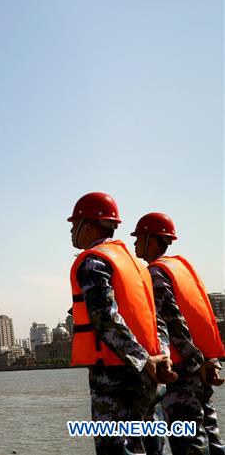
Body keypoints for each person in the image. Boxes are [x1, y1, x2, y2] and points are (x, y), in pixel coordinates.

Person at [67, 191, 177, 454]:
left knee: (117, 449)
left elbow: (105, 318)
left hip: (116, 376)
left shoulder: (95, 261)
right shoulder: (135, 265)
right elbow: (156, 320)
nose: (71, 231)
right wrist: (160, 357)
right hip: (149, 375)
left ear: (89, 225)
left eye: (74, 224)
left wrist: (142, 360)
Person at [133, 212, 225, 455]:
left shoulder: (154, 272)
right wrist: (209, 362)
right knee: (211, 435)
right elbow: (203, 319)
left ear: (152, 239)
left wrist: (194, 364)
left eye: (138, 237)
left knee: (188, 442)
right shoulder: (182, 268)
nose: (133, 243)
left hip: (183, 369)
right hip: (202, 366)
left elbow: (174, 322)